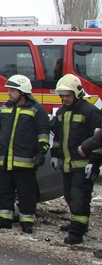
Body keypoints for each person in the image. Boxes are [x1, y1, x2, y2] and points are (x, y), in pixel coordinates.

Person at [0, 75, 50, 233]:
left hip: (25, 161)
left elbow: (43, 134)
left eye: (12, 91)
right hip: (5, 160)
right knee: (4, 190)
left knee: (26, 193)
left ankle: (27, 222)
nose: (9, 94)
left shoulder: (36, 110)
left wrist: (41, 153)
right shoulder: (4, 108)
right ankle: (4, 219)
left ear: (23, 92)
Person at [50, 74, 102, 244]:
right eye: (63, 96)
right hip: (67, 165)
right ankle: (77, 223)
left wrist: (94, 162)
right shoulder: (61, 112)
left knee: (79, 197)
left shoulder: (90, 111)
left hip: (83, 164)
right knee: (69, 196)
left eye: (68, 95)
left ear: (77, 93)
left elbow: (98, 140)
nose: (65, 99)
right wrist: (55, 155)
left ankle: (77, 232)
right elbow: (57, 136)